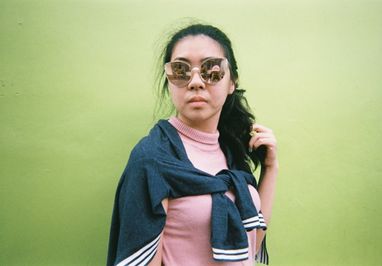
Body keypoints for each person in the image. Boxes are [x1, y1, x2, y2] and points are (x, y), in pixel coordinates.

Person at [107, 23, 278, 266]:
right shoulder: (153, 159)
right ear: (169, 81)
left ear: (232, 82)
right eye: (181, 70)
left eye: (212, 69)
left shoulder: (232, 153)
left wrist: (271, 168)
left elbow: (251, 246)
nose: (196, 81)